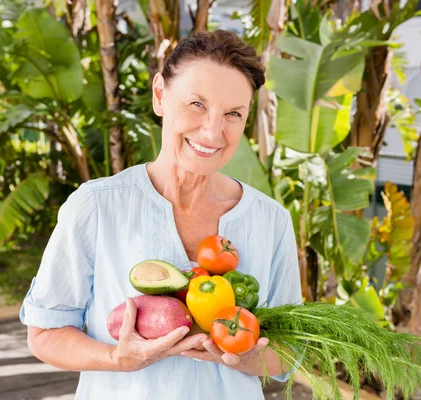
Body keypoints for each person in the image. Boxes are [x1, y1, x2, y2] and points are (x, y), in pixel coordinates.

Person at [20, 29, 302, 399]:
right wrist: (116, 358)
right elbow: (45, 334)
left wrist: (242, 358)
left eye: (233, 113)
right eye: (197, 104)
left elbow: (288, 350)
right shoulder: (97, 205)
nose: (213, 130)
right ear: (159, 95)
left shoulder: (271, 221)